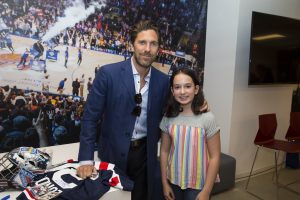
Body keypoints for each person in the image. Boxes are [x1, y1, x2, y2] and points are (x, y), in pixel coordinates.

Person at [77, 20, 170, 200]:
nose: (147, 49)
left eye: (153, 43)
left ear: (158, 48)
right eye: (142, 42)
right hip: (112, 154)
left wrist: (199, 106)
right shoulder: (108, 74)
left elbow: (173, 111)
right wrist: (86, 159)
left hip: (145, 156)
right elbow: (90, 118)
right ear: (132, 45)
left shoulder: (163, 81)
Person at [160, 67, 220, 200]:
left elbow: (215, 157)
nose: (182, 92)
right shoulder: (168, 117)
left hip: (199, 185)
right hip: (173, 181)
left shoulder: (208, 118)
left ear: (196, 89)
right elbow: (164, 151)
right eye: (177, 87)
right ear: (172, 91)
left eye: (187, 86)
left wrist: (206, 191)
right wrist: (164, 183)